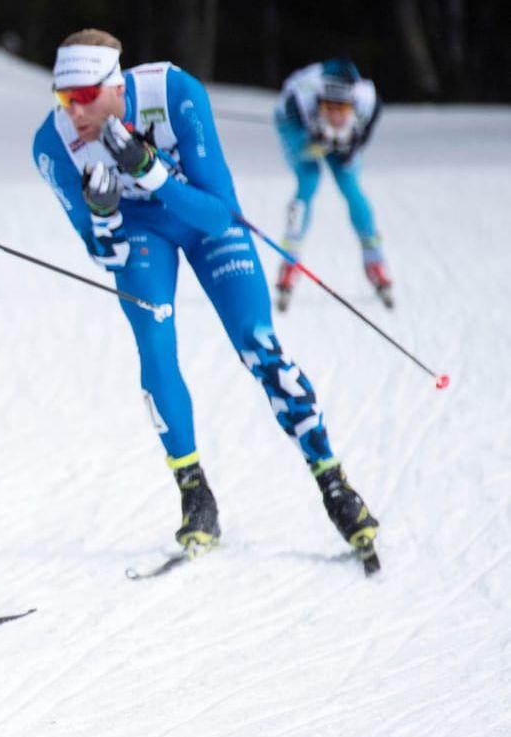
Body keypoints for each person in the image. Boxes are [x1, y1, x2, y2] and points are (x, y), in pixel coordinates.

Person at [29, 29, 380, 565]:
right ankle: (195, 493)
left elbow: (219, 213)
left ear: (116, 86)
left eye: (83, 98)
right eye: (62, 98)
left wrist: (150, 171)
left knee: (258, 343)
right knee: (155, 343)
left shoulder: (175, 93)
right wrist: (101, 216)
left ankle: (333, 482)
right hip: (140, 235)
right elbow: (102, 256)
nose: (74, 112)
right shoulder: (52, 146)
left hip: (199, 218)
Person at [273, 57, 389, 310]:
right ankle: (289, 259)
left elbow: (368, 124)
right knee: (308, 182)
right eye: (330, 108)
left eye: (343, 109)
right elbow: (293, 140)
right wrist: (309, 143)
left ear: (353, 104)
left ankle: (374, 258)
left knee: (350, 185)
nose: (336, 115)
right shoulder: (298, 98)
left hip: (340, 134)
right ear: (319, 102)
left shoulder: (367, 99)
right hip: (299, 128)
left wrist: (353, 145)